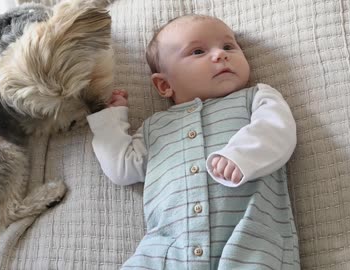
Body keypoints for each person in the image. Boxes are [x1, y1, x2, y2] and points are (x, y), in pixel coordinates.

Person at [87, 14, 300, 270]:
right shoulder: (155, 128)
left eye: (228, 46)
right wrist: (109, 119)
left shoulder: (256, 97)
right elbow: (122, 168)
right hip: (166, 248)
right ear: (164, 85)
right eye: (198, 51)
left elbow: (277, 130)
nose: (220, 55)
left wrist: (241, 156)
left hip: (247, 241)